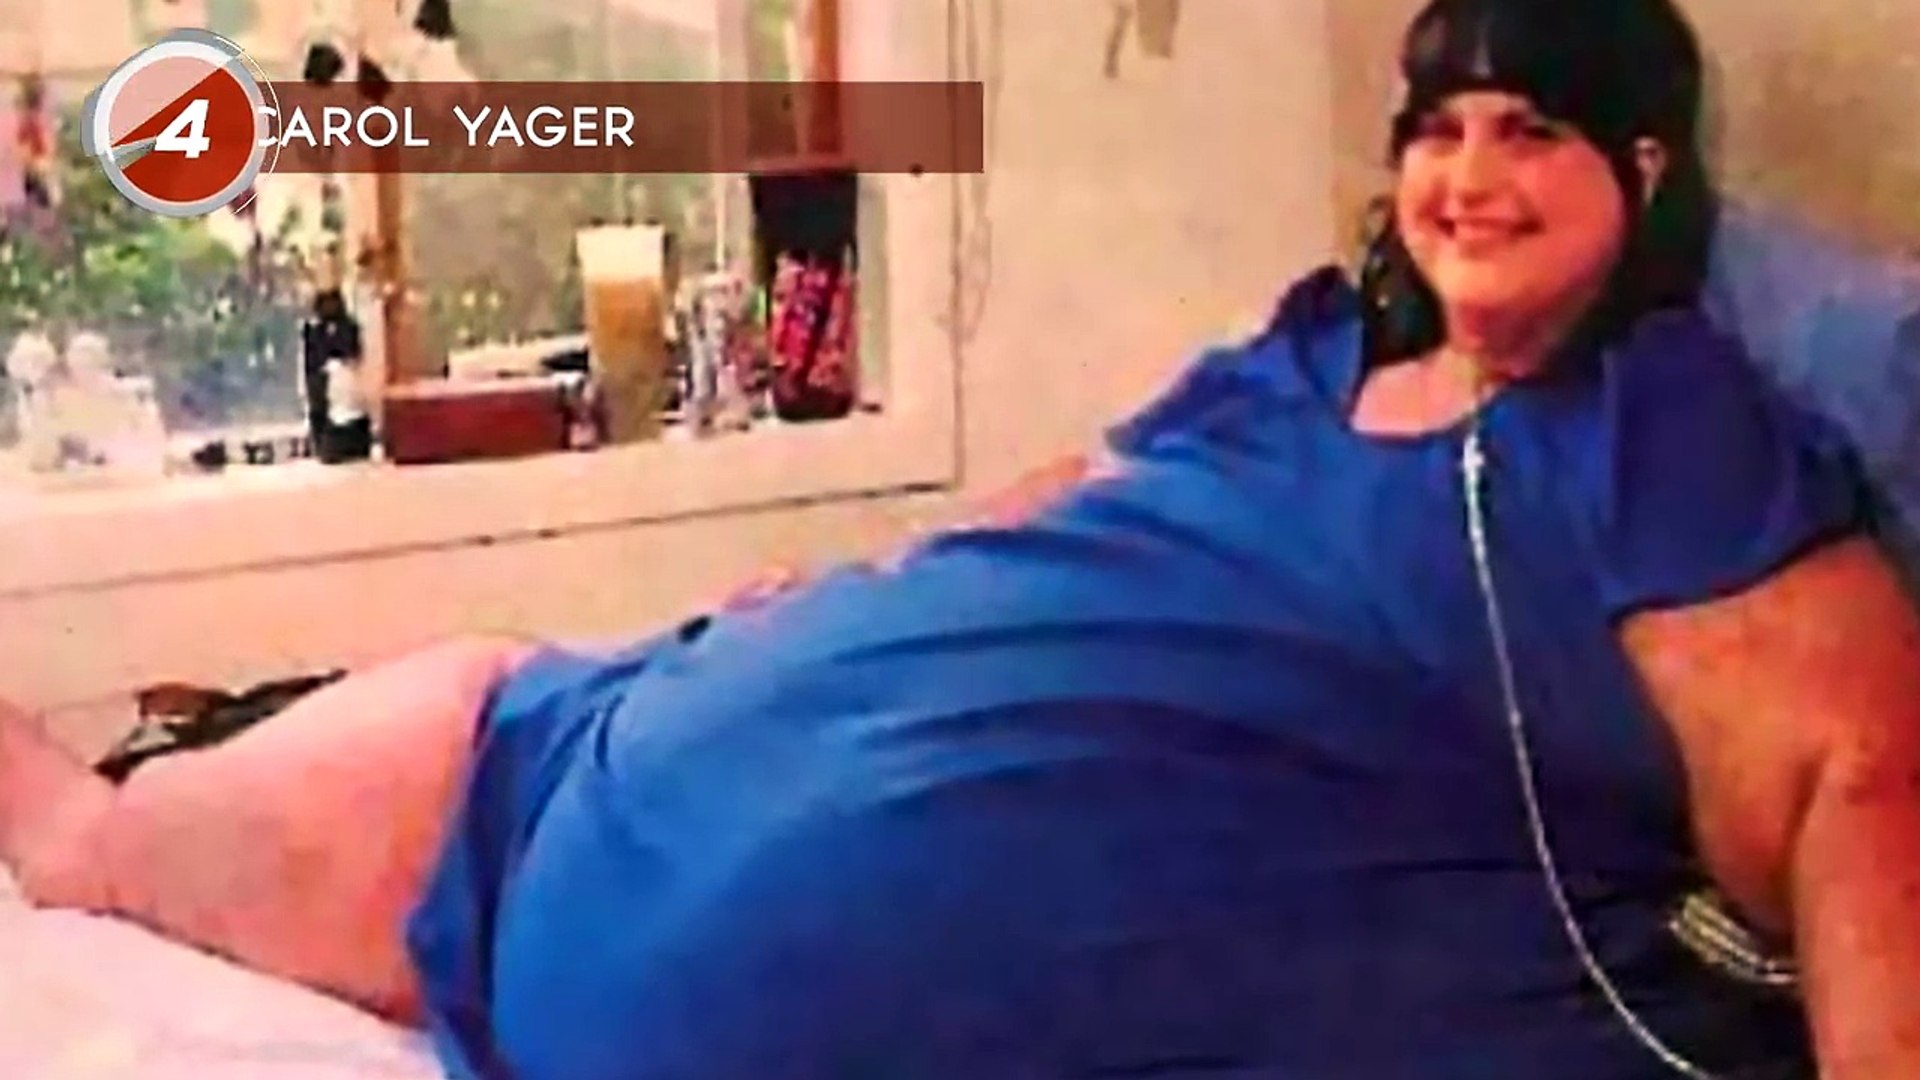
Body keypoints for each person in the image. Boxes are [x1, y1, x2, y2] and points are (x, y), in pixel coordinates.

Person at [5, 0, 1920, 1075]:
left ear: (1642, 172)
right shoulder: (1306, 352)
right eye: (1442, 129)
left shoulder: (1661, 430)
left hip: (691, 935)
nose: (1470, 178)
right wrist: (849, 607)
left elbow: (1859, 775)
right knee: (81, 842)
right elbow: (1068, 502)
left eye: (1533, 135)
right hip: (553, 756)